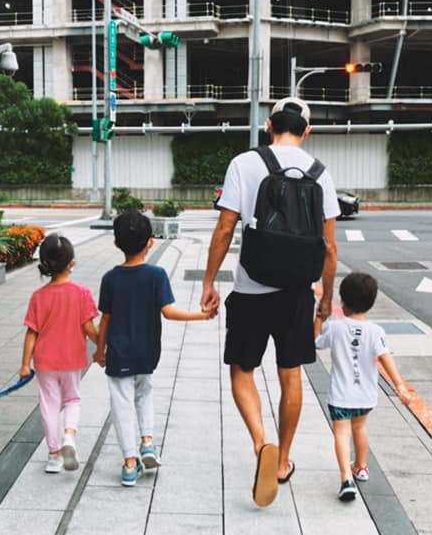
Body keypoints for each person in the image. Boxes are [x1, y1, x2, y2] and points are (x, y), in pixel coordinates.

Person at [200, 97, 340, 507]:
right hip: (297, 291)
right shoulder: (320, 173)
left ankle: (262, 443)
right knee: (290, 374)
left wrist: (209, 280)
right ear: (307, 131)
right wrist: (326, 297)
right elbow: (329, 247)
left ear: (268, 125)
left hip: (251, 287)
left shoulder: (245, 163)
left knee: (242, 371)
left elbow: (226, 228)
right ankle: (284, 460)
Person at [95, 210, 216, 486]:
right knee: (145, 394)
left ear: (116, 244)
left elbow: (106, 320)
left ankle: (129, 463)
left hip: (119, 353)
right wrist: (201, 315)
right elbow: (169, 312)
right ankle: (147, 443)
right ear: (150, 242)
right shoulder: (156, 275)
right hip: (147, 352)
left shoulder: (110, 279)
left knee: (122, 404)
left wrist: (99, 351)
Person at [314, 272, 412, 501]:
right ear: (370, 303)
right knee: (359, 428)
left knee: (341, 432)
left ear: (343, 300)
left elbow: (316, 343)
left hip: (340, 395)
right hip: (366, 396)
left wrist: (319, 318)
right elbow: (385, 357)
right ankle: (361, 466)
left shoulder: (335, 328)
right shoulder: (376, 331)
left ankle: (346, 479)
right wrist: (399, 385)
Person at [20, 233, 99, 473]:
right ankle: (69, 437)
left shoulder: (38, 297)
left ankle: (54, 455)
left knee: (49, 404)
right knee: (72, 399)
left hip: (44, 361)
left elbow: (31, 333)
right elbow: (88, 328)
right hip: (72, 358)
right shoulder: (81, 293)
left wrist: (25, 365)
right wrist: (102, 344)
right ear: (71, 263)